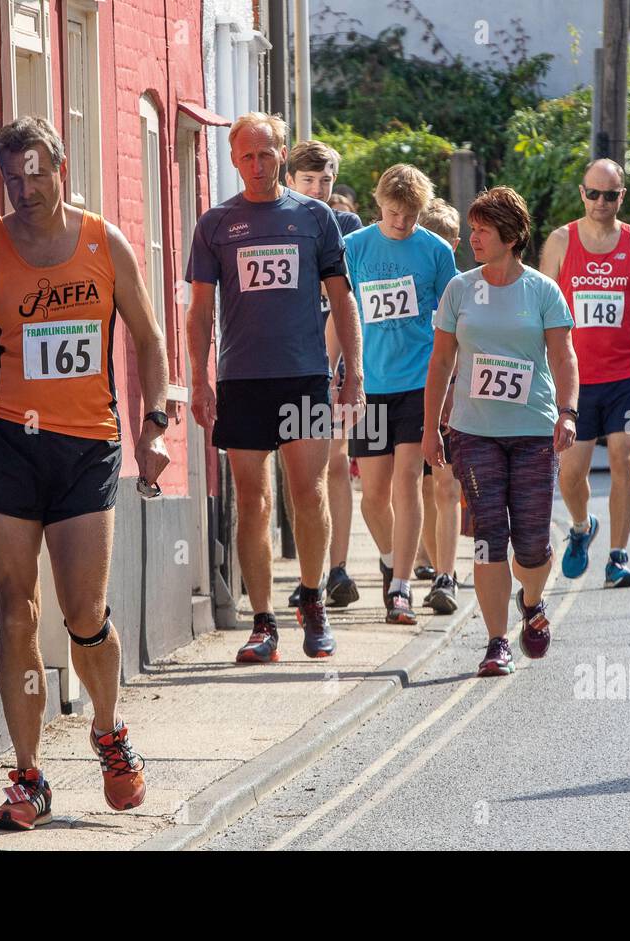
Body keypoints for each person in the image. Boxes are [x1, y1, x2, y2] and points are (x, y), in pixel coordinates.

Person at [0, 116, 170, 830]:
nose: (23, 188)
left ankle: (109, 730)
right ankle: (30, 775)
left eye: (35, 172)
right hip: (6, 444)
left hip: (86, 446)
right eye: (11, 177)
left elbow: (149, 336)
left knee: (81, 611)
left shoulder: (105, 242)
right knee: (17, 611)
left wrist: (155, 423)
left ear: (61, 169)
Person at [186, 113, 364, 663]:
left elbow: (342, 298)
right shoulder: (216, 224)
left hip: (303, 374)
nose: (257, 165)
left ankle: (312, 600)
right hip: (241, 378)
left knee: (307, 493)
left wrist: (352, 371)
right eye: (246, 156)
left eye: (266, 154)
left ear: (282, 155)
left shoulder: (314, 217)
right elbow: (198, 312)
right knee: (253, 502)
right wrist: (198, 377)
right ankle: (262, 621)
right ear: (234, 159)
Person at [424, 186, 578, 677]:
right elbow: (442, 360)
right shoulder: (459, 290)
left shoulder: (541, 291)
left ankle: (531, 604)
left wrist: (568, 412)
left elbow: (563, 356)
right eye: (471, 229)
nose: (473, 238)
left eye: (483, 230)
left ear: (510, 238)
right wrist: (432, 428)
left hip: (533, 431)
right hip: (474, 432)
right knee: (490, 537)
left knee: (531, 544)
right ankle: (495, 643)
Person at [539, 158, 630, 588]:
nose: (601, 201)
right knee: (570, 473)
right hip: (575, 381)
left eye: (611, 194)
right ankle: (581, 527)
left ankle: (618, 557)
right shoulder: (561, 242)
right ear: (582, 194)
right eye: (593, 193)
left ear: (622, 196)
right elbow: (541, 310)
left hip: (625, 376)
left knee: (623, 459)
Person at [343, 165, 458, 624]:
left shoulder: (434, 252)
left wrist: (450, 388)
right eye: (393, 214)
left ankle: (401, 587)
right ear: (379, 204)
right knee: (372, 495)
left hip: (419, 383)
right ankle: (393, 557)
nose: (401, 223)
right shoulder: (354, 248)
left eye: (409, 216)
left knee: (407, 480)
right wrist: (339, 376)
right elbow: (339, 312)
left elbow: (453, 324)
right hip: (371, 386)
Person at [281, 139, 363, 610]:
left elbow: (346, 300)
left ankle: (337, 568)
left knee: (334, 461)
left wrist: (347, 369)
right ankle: (310, 570)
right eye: (308, 180)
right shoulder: (277, 218)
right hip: (289, 360)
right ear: (291, 180)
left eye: (326, 180)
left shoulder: (344, 224)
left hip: (330, 362)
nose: (317, 188)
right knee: (302, 470)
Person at [414, 197, 464, 613]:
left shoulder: (467, 289)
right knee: (424, 488)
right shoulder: (411, 283)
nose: (440, 252)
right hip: (410, 393)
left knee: (446, 487)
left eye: (447, 244)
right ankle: (427, 563)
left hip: (455, 400)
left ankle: (446, 575)